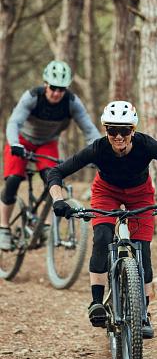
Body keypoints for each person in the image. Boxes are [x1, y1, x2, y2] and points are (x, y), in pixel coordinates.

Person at [47, 100, 157, 339]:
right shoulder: (98, 148)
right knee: (102, 237)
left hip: (141, 194)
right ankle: (96, 303)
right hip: (106, 191)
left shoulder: (146, 145)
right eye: (112, 130)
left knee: (143, 252)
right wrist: (58, 200)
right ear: (106, 130)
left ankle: (143, 314)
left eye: (124, 130)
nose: (118, 136)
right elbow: (56, 173)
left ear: (133, 131)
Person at [0, 60, 100, 250]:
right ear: (45, 84)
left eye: (61, 89)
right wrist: (14, 143)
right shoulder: (32, 97)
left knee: (53, 180)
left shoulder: (72, 103)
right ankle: (3, 227)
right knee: (13, 180)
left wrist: (98, 152)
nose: (56, 93)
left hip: (47, 144)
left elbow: (89, 130)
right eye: (53, 87)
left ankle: (46, 226)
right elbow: (13, 122)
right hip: (21, 141)